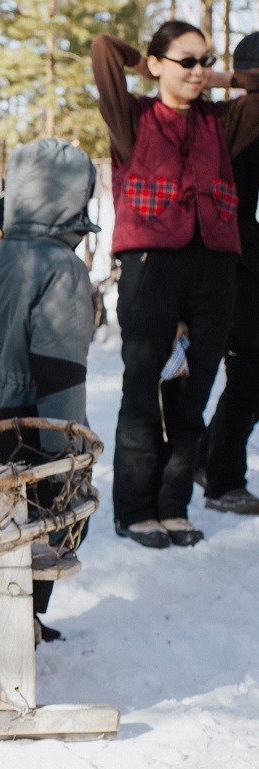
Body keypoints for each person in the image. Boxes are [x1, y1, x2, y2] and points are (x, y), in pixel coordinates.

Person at [92, 22, 259, 548]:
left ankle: (173, 505)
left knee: (194, 391)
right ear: (159, 62)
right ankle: (135, 509)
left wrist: (209, 77)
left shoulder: (224, 121)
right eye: (186, 60)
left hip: (214, 266)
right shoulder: (134, 117)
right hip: (152, 265)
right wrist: (150, 68)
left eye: (204, 60)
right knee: (145, 389)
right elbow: (103, 51)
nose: (198, 70)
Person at [0, 138, 101, 641]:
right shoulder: (62, 268)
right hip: (37, 420)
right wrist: (69, 445)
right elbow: (59, 367)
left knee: (1, 512)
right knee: (45, 519)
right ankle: (23, 620)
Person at [201, 32, 259, 515]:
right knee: (247, 381)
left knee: (250, 382)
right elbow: (233, 214)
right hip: (240, 274)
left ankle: (209, 461)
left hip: (244, 267)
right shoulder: (237, 123)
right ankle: (221, 480)